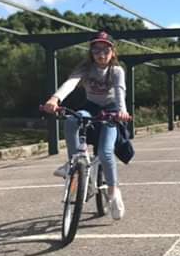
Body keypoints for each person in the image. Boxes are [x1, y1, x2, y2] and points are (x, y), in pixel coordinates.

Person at [42, 31, 131, 220]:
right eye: (96, 49)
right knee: (73, 118)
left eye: (105, 49)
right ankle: (74, 162)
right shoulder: (85, 68)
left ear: (112, 52)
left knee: (106, 152)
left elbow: (119, 92)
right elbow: (71, 83)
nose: (101, 54)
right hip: (91, 107)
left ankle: (114, 194)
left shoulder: (116, 71)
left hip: (111, 109)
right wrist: (55, 98)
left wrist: (121, 112)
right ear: (91, 52)